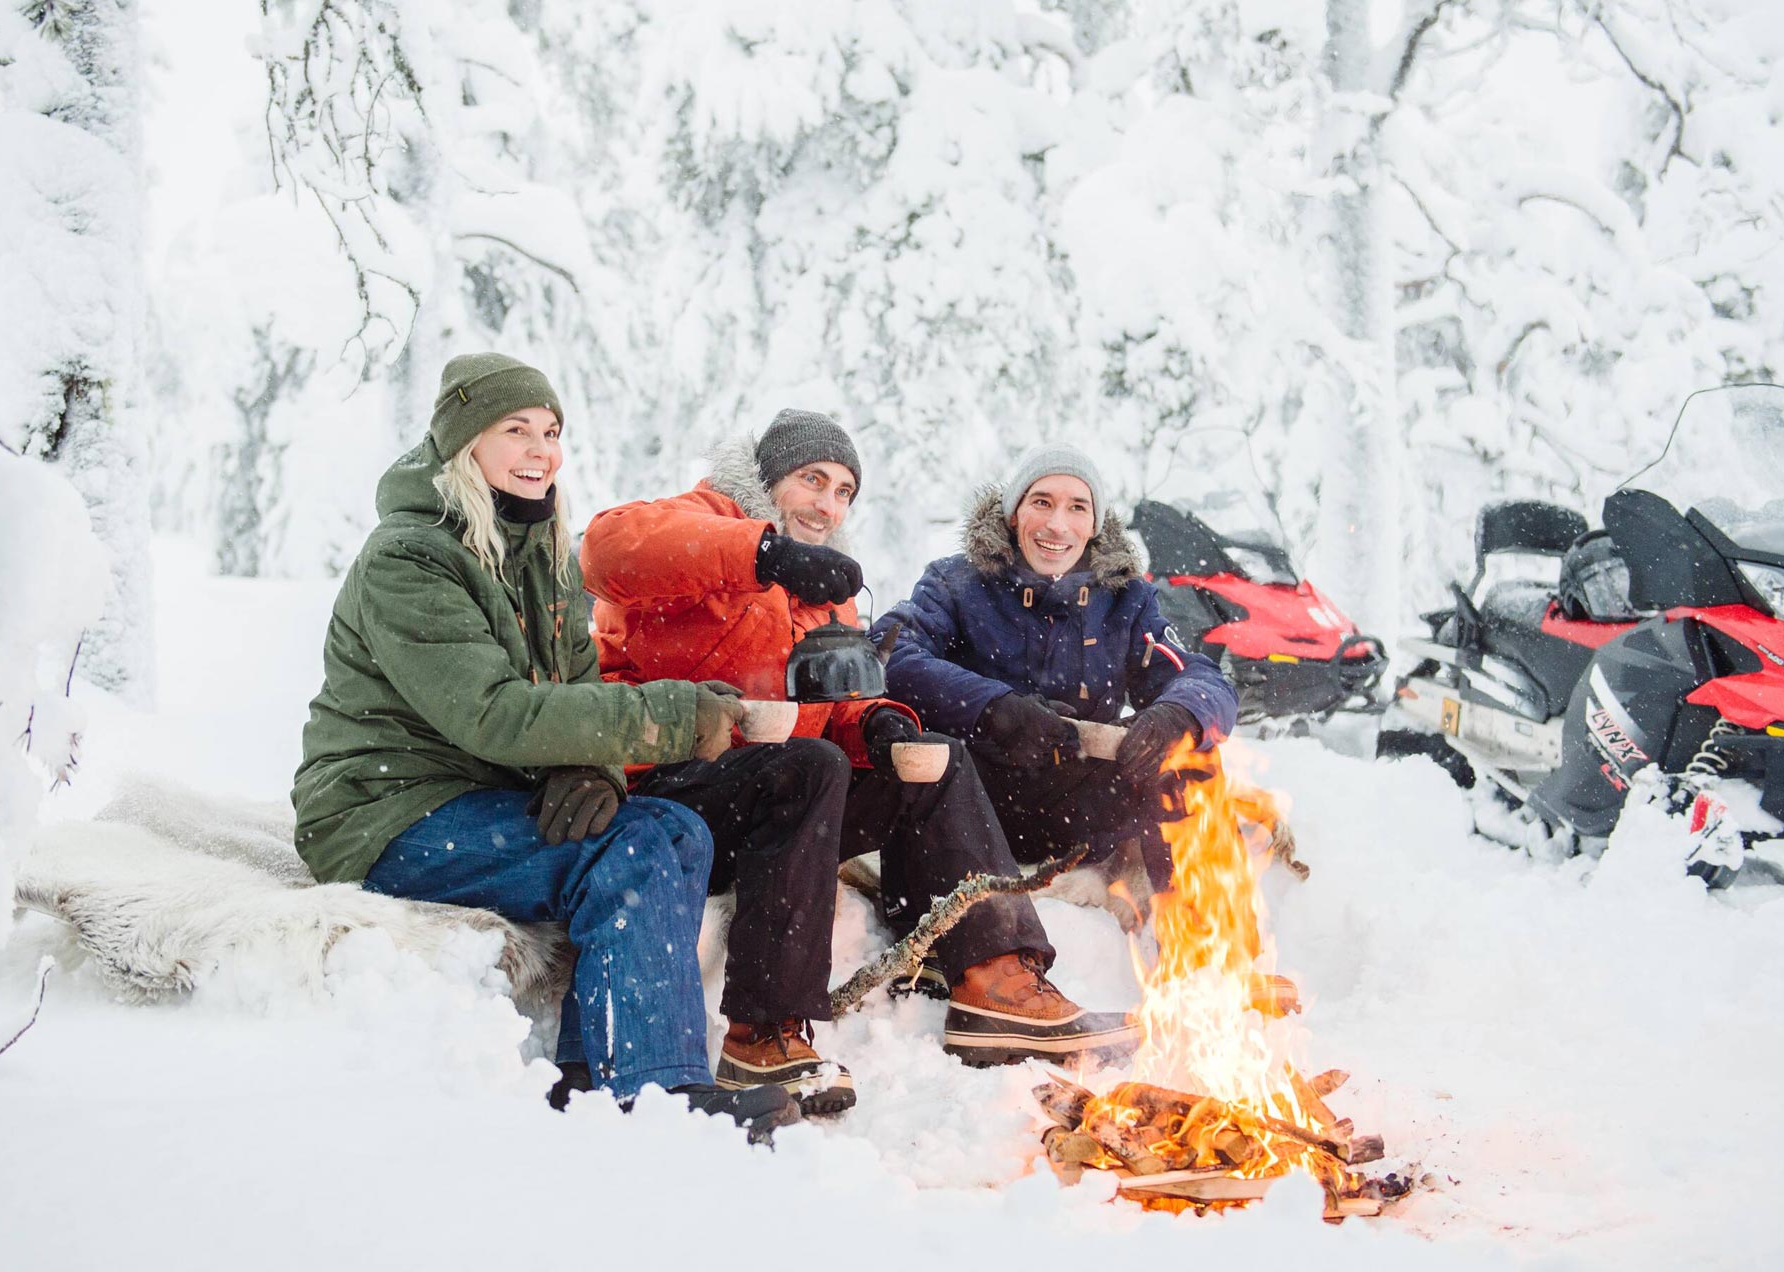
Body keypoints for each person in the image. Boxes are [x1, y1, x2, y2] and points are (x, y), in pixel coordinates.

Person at [292, 352, 795, 1136]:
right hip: (384, 813)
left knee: (677, 830)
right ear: (465, 444)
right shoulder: (409, 557)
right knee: (623, 852)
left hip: (476, 795)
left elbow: (576, 681)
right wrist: (671, 714)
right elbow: (492, 714)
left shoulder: (541, 544)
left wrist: (596, 769)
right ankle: (656, 1094)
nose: (541, 451)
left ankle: (594, 1072)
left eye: (551, 431)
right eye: (516, 430)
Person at [580, 411, 1138, 1077]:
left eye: (844, 490)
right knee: (809, 767)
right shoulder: (705, 518)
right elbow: (606, 549)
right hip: (670, 790)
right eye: (813, 480)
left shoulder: (823, 590)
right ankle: (764, 1033)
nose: (828, 503)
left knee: (935, 760)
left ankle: (997, 980)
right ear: (768, 478)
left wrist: (877, 723)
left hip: (780, 799)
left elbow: (832, 700)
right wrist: (763, 555)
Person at [871, 444, 1240, 908]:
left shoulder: (1127, 598)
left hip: (1081, 808)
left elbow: (1202, 678)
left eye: (1077, 507)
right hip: (972, 802)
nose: (1057, 525)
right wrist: (994, 708)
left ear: (1094, 525)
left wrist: (1176, 713)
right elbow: (890, 652)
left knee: (1191, 753)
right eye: (1041, 502)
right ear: (1013, 514)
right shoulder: (955, 582)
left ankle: (1205, 949)